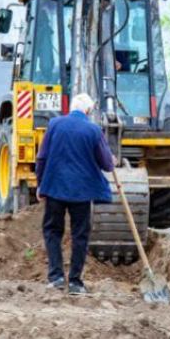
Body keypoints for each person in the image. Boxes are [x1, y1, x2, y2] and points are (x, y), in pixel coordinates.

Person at [35, 93, 115, 295]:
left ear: (71, 108)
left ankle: (56, 277)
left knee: (53, 231)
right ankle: (75, 283)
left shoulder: (54, 124)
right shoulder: (94, 130)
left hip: (54, 188)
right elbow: (106, 164)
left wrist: (40, 185)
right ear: (88, 111)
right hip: (82, 193)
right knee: (80, 235)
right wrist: (111, 159)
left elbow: (42, 158)